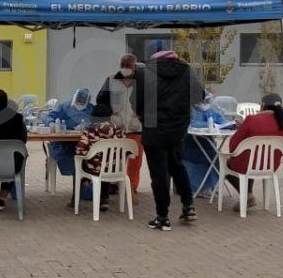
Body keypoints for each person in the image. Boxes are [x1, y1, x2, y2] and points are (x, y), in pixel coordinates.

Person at [134, 47, 202, 231]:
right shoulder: (186, 70)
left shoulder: (145, 72)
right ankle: (188, 206)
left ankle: (162, 217)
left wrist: (144, 115)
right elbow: (199, 96)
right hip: (178, 129)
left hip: (154, 129)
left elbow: (136, 102)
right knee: (177, 166)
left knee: (159, 174)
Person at [224, 92, 283, 205]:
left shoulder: (251, 120)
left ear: (263, 105)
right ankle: (248, 195)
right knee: (251, 159)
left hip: (248, 164)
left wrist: (242, 127)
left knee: (226, 163)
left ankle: (247, 195)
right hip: (271, 165)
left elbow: (233, 146)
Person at [96, 54, 144, 196]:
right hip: (115, 128)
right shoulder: (111, 80)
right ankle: (114, 184)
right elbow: (101, 100)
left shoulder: (142, 82)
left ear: (134, 67)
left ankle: (132, 187)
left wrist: (143, 115)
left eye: (128, 67)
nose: (126, 69)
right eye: (123, 67)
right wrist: (109, 113)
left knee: (135, 159)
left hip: (136, 127)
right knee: (114, 157)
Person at [70, 102, 125, 212]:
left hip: (94, 168)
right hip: (114, 169)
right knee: (106, 165)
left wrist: (80, 154)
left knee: (78, 166)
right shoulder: (118, 129)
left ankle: (74, 200)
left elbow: (81, 149)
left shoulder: (90, 129)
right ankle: (104, 199)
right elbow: (126, 148)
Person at [182, 90, 227, 200]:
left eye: (207, 100)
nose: (206, 102)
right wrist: (209, 124)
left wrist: (231, 124)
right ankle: (198, 188)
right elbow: (192, 124)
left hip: (208, 143)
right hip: (191, 143)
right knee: (197, 159)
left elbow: (221, 120)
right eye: (204, 100)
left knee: (214, 156)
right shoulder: (190, 110)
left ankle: (211, 186)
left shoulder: (210, 110)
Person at [43, 88, 93, 180]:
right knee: (68, 156)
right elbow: (48, 116)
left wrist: (87, 125)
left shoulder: (90, 109)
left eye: (83, 103)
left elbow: (96, 122)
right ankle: (75, 174)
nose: (80, 104)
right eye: (78, 102)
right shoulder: (65, 107)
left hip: (82, 141)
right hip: (64, 141)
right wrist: (51, 123)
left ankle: (82, 180)